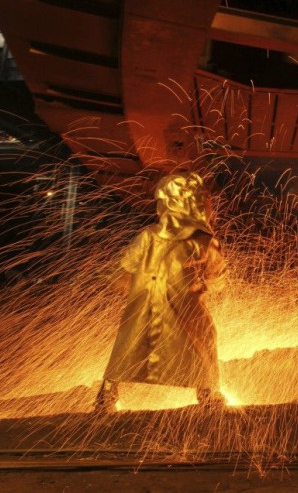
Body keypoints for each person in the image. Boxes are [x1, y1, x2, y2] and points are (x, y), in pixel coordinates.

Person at [95, 172, 226, 412]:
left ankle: (106, 396)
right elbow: (217, 277)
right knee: (203, 340)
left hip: (145, 304)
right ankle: (208, 394)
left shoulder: (148, 235)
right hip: (187, 306)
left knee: (128, 345)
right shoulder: (204, 240)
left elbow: (122, 273)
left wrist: (130, 288)